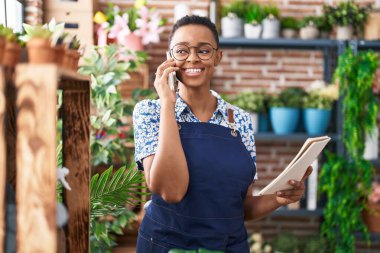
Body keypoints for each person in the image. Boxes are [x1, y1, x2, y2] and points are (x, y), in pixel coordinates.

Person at [133, 15, 312, 253]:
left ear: (218, 57)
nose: (193, 58)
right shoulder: (150, 112)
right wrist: (168, 103)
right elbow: (171, 191)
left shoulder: (240, 120)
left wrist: (279, 198)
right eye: (182, 51)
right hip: (166, 246)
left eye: (204, 51)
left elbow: (242, 207)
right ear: (170, 58)